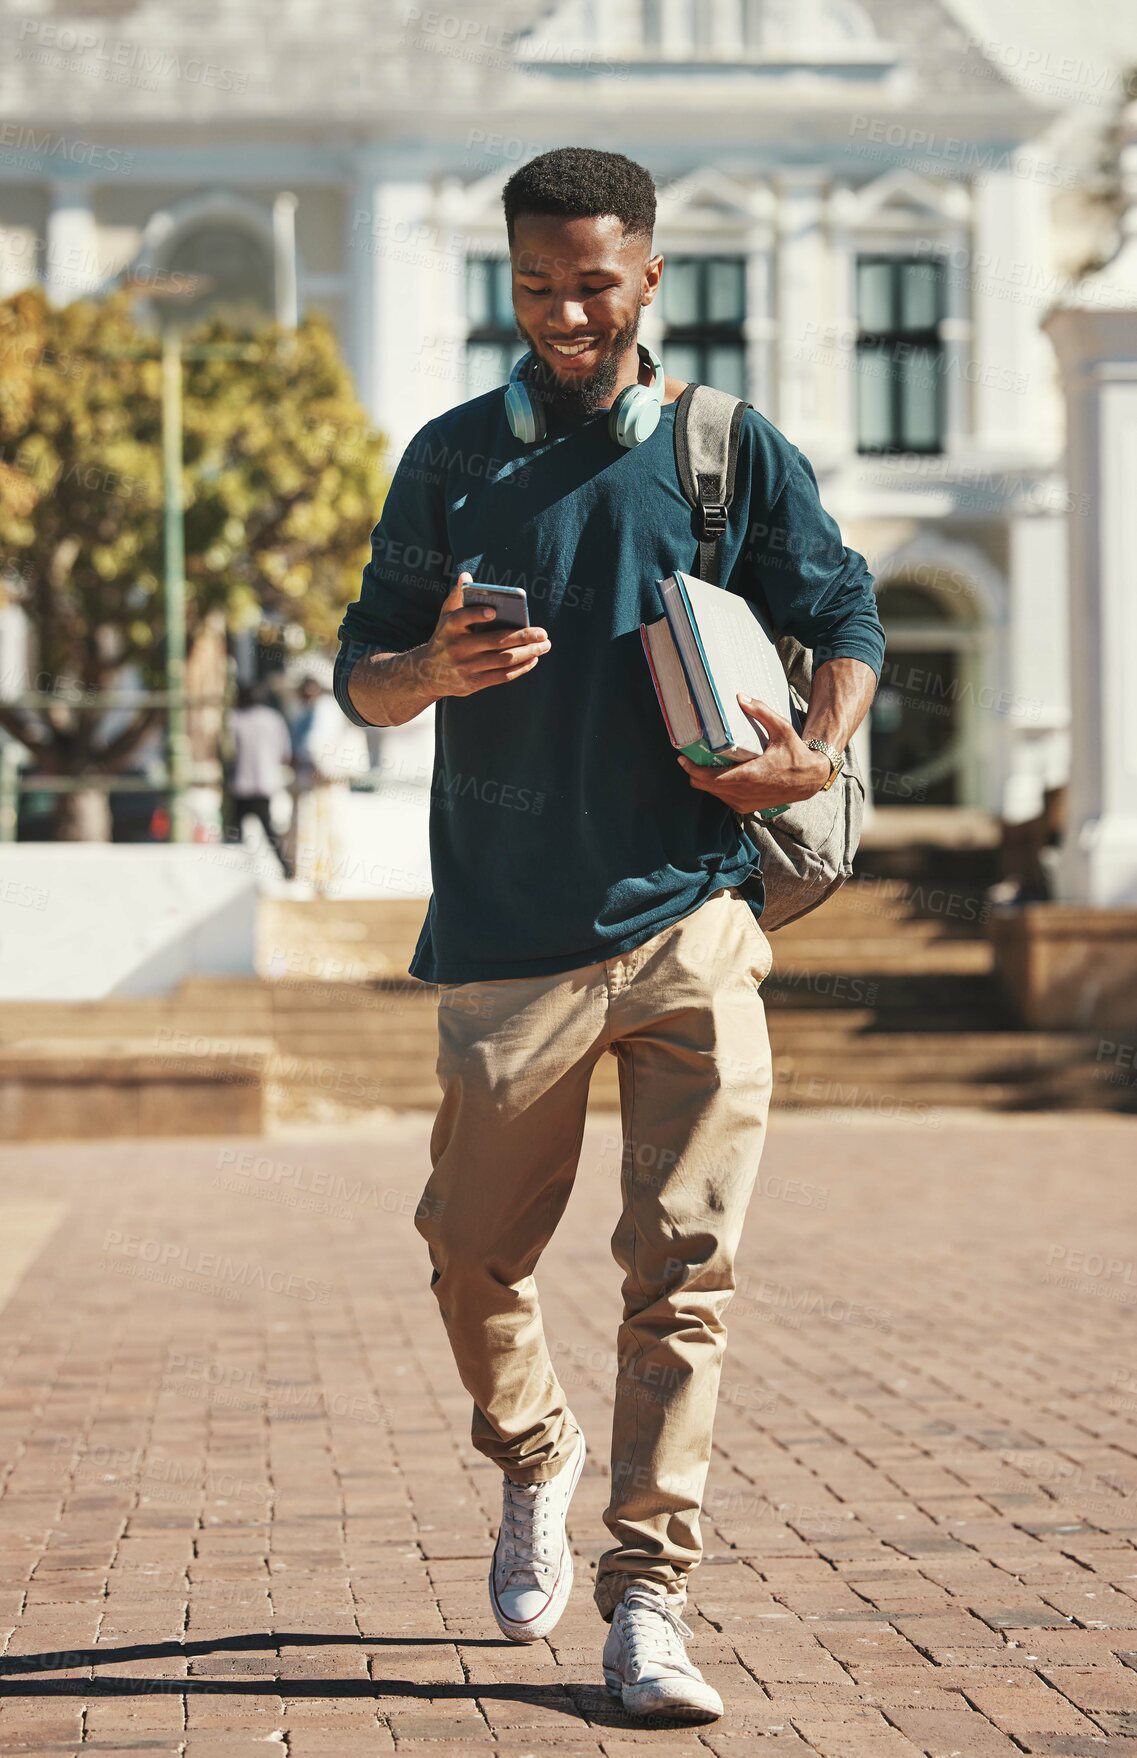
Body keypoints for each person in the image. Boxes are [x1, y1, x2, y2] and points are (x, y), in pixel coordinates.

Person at [334, 147, 884, 1724]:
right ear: (507, 284)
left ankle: (648, 1597)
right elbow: (357, 676)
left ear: (651, 278)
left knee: (683, 1270)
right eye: (533, 286)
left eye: (593, 283)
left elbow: (844, 614)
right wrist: (422, 670)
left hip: (694, 919)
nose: (565, 313)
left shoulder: (723, 451)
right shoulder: (449, 461)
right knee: (467, 1254)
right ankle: (534, 1455)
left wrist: (819, 745)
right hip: (509, 937)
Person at [287, 673, 370, 895]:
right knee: (318, 828)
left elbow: (314, 744)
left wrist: (313, 762)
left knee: (319, 828)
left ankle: (324, 877)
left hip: (322, 779)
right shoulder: (314, 709)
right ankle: (320, 877)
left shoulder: (324, 709)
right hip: (321, 778)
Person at [225, 680, 293, 879]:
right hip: (265, 783)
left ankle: (232, 873)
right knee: (270, 831)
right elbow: (285, 752)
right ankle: (287, 870)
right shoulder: (273, 719)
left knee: (234, 832)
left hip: (242, 784)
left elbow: (229, 752)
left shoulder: (235, 719)